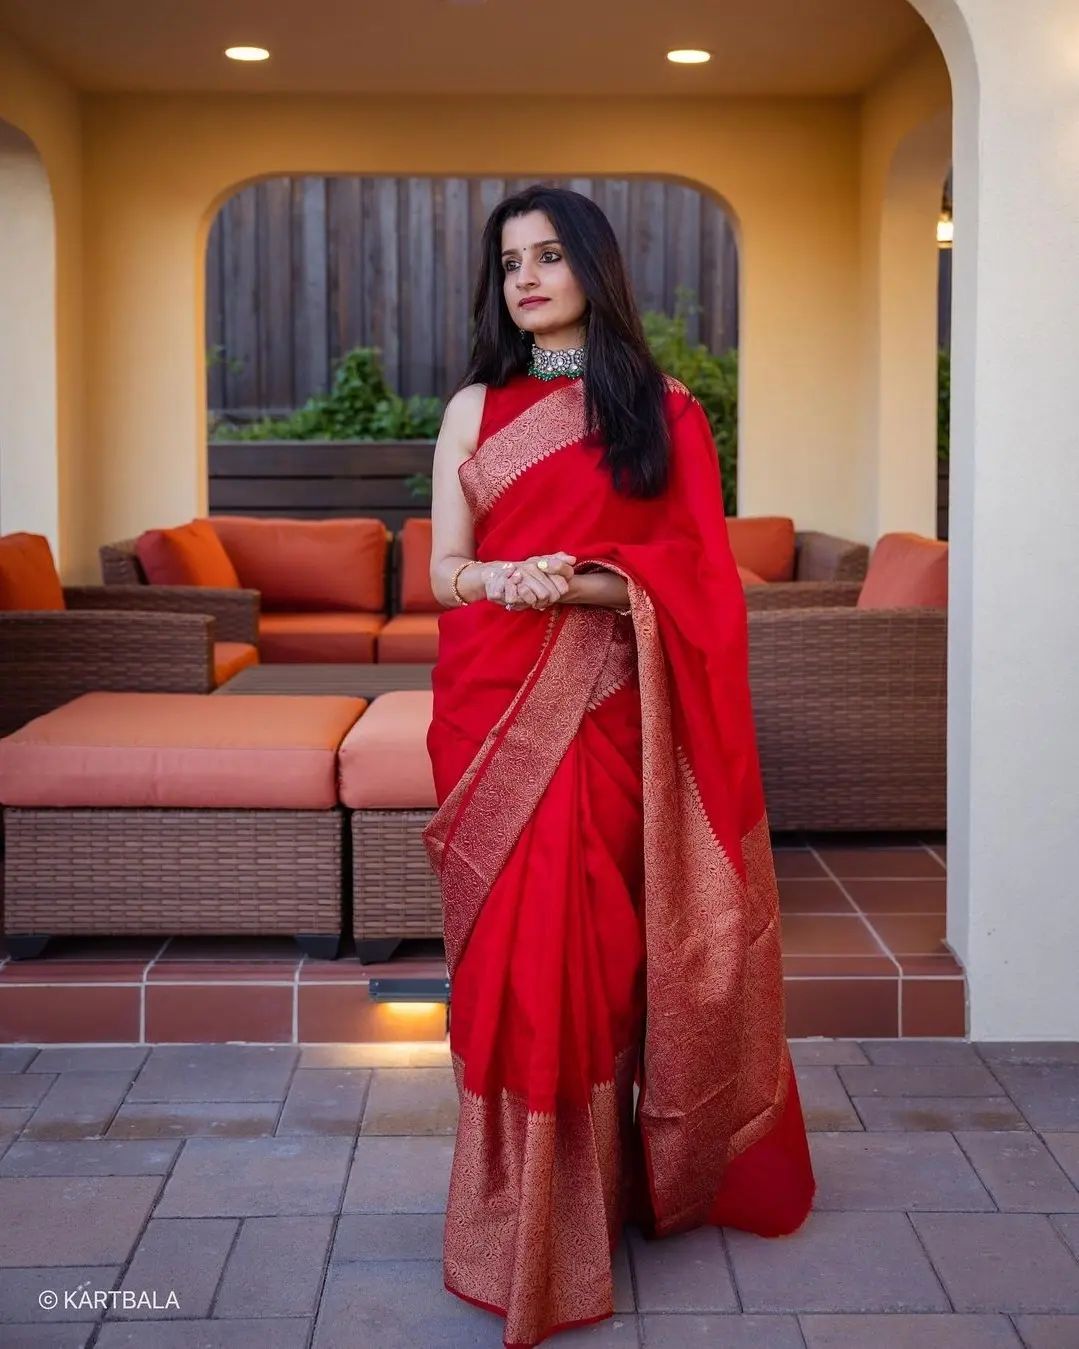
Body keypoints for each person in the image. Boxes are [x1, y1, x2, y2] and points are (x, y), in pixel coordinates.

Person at [422, 184, 815, 1348]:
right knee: (510, 966)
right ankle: (515, 1219)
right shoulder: (470, 408)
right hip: (491, 710)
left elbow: (694, 578)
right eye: (508, 264)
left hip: (607, 715)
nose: (527, 278)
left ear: (591, 263)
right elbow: (444, 568)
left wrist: (577, 577)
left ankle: (604, 1195)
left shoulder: (660, 409)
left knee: (597, 959)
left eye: (548, 255)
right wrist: (506, 578)